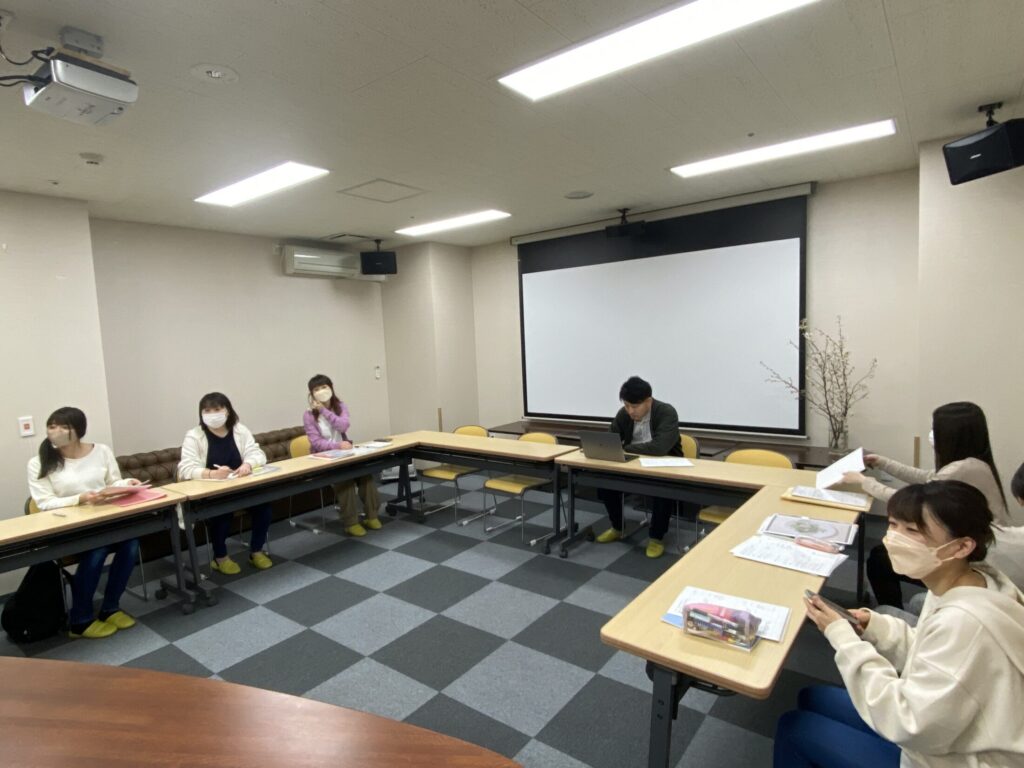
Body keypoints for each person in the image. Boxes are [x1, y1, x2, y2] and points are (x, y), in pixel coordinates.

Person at [775, 480, 1024, 768]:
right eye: (893, 525)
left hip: (944, 757)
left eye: (912, 531)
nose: (893, 538)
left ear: (962, 546)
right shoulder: (969, 580)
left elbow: (908, 722)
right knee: (811, 697)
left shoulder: (965, 623)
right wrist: (875, 627)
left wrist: (844, 639)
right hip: (943, 728)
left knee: (795, 728)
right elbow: (929, 649)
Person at [841, 401, 1009, 607]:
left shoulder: (963, 469)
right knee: (881, 555)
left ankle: (892, 611)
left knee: (880, 560)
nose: (931, 434)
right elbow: (926, 477)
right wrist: (882, 462)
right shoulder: (971, 464)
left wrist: (863, 481)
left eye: (935, 429)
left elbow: (913, 505)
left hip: (973, 558)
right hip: (968, 546)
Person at [26, 407, 143, 639]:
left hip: (102, 519)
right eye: (52, 426)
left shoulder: (101, 451)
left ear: (78, 430)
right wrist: (81, 498)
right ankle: (80, 620)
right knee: (97, 549)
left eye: (64, 426)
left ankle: (110, 608)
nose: (56, 431)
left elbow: (113, 482)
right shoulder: (38, 462)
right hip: (67, 527)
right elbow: (44, 503)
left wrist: (128, 483)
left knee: (131, 544)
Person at [178, 392, 273, 574]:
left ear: (227, 410)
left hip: (241, 485)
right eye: (207, 411)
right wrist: (212, 474)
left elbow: (258, 454)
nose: (212, 414)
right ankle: (220, 557)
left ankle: (256, 551)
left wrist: (247, 464)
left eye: (217, 409)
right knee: (221, 514)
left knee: (264, 508)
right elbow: (185, 468)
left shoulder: (239, 430)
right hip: (211, 491)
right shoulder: (194, 436)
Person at [594, 376, 682, 558]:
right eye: (626, 405)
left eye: (634, 406)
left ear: (648, 401)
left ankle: (656, 537)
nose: (630, 411)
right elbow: (611, 439)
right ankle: (618, 527)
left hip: (664, 465)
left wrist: (625, 448)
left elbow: (659, 448)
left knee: (662, 489)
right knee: (604, 482)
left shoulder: (666, 412)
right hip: (633, 464)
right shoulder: (624, 414)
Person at [302, 374, 381, 536]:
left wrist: (324, 411)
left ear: (331, 388)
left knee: (365, 475)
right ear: (312, 394)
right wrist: (337, 445)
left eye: (324, 387)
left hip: (345, 454)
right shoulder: (309, 415)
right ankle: (350, 522)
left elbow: (343, 426)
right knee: (345, 479)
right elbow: (316, 442)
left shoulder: (340, 406)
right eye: (316, 389)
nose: (321, 391)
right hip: (323, 458)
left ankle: (372, 515)